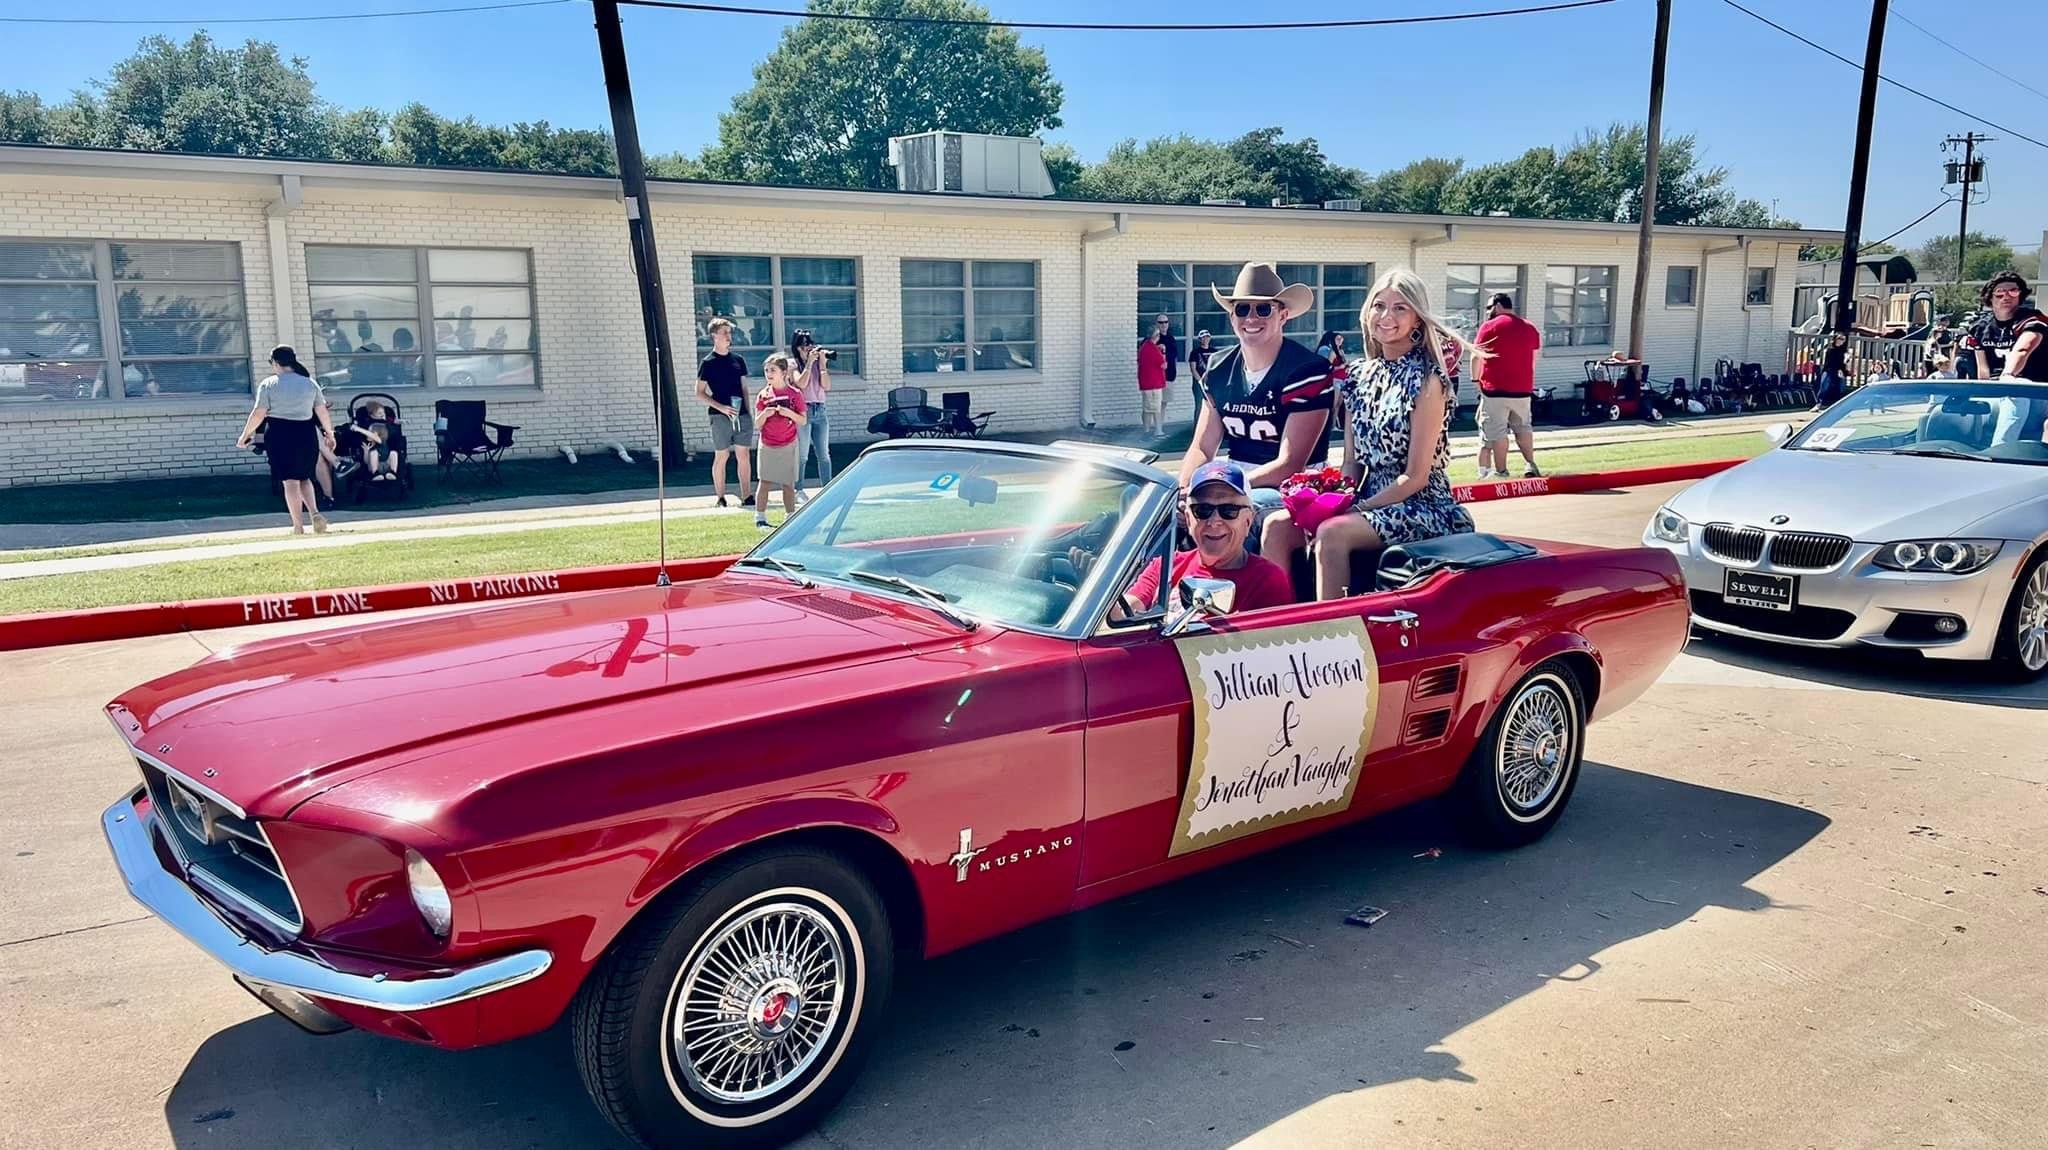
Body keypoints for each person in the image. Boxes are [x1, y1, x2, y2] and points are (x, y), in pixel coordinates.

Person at [1261, 269, 1475, 601]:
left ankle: (1332, 634)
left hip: (1422, 505)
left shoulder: (1428, 380)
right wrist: (1329, 501)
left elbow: (1415, 477)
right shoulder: (1357, 376)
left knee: (1332, 533)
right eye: (1379, 306)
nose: (1386, 316)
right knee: (1276, 523)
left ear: (1418, 318)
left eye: (1400, 308)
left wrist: (1357, 509)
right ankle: (1275, 622)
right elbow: (1351, 464)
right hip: (1366, 502)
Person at [1177, 262, 1333, 519]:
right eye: (1242, 309)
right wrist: (1185, 489)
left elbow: (1290, 464)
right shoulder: (1218, 368)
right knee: (1155, 507)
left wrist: (1226, 489)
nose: (1251, 318)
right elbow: (1202, 448)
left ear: (1283, 315)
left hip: (1293, 487)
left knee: (1235, 512)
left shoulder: (1307, 370)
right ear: (1232, 317)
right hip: (1235, 479)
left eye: (1263, 309)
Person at [1115, 461, 1293, 619]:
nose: (1214, 521)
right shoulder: (1165, 566)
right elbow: (1124, 614)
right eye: (1202, 510)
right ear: (1188, 517)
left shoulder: (1266, 579)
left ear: (1248, 520)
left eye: (1229, 510)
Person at [235, 346, 336, 536]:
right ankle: (314, 513)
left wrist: (245, 435)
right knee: (304, 477)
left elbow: (258, 413)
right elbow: (321, 411)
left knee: (289, 481)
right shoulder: (309, 383)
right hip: (306, 433)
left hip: (280, 433)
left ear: (275, 362)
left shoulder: (269, 384)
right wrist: (330, 433)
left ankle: (298, 526)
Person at [1472, 292, 1542, 478]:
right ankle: (1530, 463)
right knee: (1523, 427)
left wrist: (1475, 380)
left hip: (1495, 390)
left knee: (1497, 432)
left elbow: (1475, 356)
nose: (1488, 311)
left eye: (1489, 307)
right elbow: (1534, 358)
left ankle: (1501, 471)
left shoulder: (1489, 327)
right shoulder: (1529, 327)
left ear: (1497, 306)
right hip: (1523, 390)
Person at [696, 318, 753, 509]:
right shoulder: (708, 363)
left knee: (743, 454)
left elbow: (744, 388)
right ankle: (720, 497)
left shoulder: (738, 360)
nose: (729, 336)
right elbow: (699, 392)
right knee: (722, 456)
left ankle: (747, 495)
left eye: (729, 332)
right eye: (725, 332)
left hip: (742, 414)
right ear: (714, 335)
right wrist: (721, 407)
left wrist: (748, 412)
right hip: (720, 416)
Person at [752, 352, 808, 531]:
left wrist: (788, 413)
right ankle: (760, 517)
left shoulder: (795, 394)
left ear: (784, 372)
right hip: (768, 443)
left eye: (772, 370)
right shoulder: (763, 395)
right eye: (766, 370)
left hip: (789, 443)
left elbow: (803, 420)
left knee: (788, 483)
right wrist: (765, 414)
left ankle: (790, 517)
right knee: (765, 481)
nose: (768, 374)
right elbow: (757, 423)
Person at [1964, 271, 2048, 382]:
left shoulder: (2032, 320)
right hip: (1997, 390)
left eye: (2013, 291)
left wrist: (2008, 376)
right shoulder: (1980, 328)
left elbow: (2023, 350)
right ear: (1990, 297)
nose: (2006, 296)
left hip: (2031, 389)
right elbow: (1983, 369)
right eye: (2000, 292)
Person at [791, 328, 833, 499]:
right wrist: (808, 364)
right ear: (796, 348)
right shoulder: (792, 363)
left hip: (820, 409)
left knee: (824, 453)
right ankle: (798, 489)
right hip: (803, 410)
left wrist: (822, 365)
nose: (806, 349)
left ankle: (827, 487)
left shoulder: (817, 364)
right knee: (802, 454)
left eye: (809, 346)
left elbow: (827, 386)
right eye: (803, 347)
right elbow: (800, 383)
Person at [1137, 327, 1168, 434]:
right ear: (1154, 336)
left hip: (1147, 382)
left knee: (1148, 407)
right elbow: (1163, 364)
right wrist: (1163, 352)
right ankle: (1157, 430)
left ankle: (1147, 430)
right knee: (1155, 408)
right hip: (1153, 383)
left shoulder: (1144, 347)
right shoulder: (1152, 348)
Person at [1814, 332, 1850, 409]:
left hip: (1839, 370)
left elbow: (1843, 363)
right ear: (1835, 339)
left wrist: (1843, 369)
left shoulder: (1843, 350)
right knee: (1824, 386)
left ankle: (1838, 404)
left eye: (1843, 339)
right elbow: (1829, 362)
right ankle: (1818, 404)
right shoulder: (1830, 349)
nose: (1841, 341)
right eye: (1839, 339)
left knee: (1840, 387)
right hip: (1829, 370)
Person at [1188, 329, 1215, 412]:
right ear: (1200, 339)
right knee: (1199, 405)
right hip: (1199, 383)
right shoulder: (1195, 352)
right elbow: (1193, 369)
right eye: (1203, 337)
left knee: (1213, 405)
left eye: (1207, 337)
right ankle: (1197, 424)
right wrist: (1200, 381)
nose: (1205, 339)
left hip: (1212, 382)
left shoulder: (1214, 351)